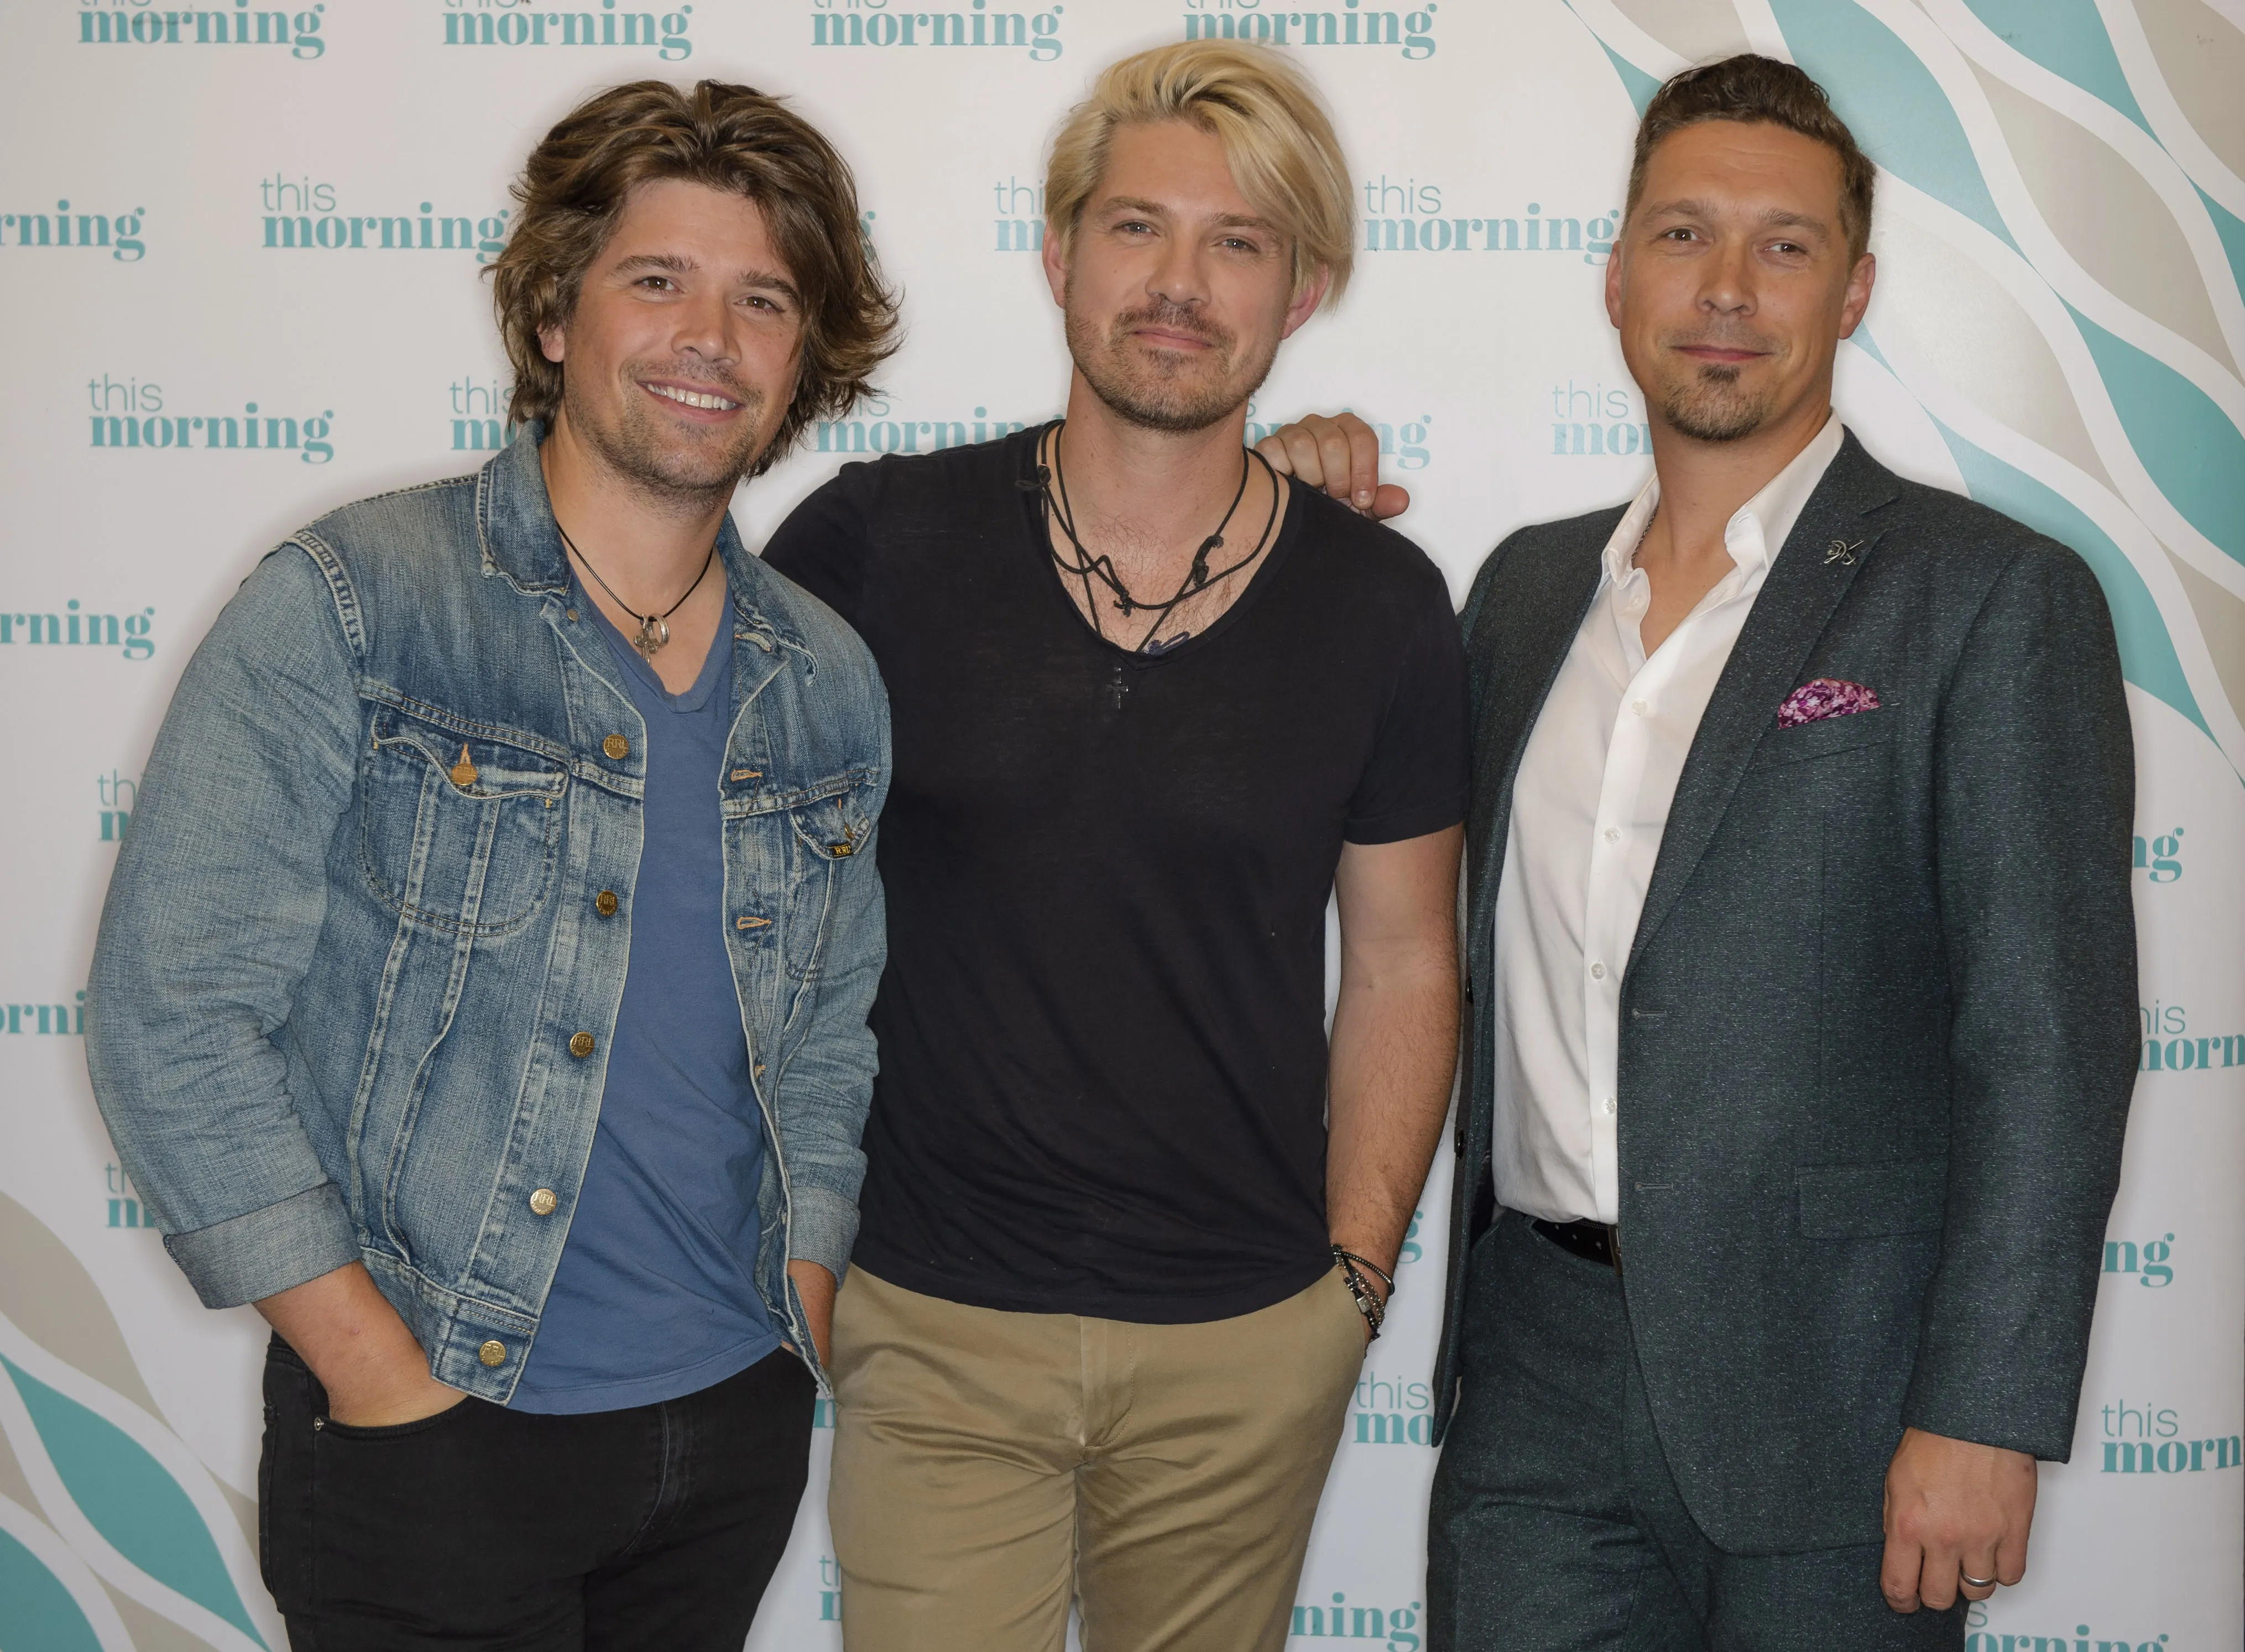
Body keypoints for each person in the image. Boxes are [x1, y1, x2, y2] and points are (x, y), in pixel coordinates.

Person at [1268, 52, 2137, 1651]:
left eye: (1782, 245)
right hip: (1532, 1372)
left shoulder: (1989, 597)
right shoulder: (1520, 596)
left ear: (1853, 290)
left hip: (1849, 1395)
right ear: (1615, 279)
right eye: (1682, 235)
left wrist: (1984, 1407)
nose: (1726, 287)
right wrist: (1280, 517)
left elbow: (2047, 1040)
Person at [85, 79, 896, 1651]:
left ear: (803, 360)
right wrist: (375, 1374)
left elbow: (825, 1031)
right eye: (657, 279)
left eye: (762, 300)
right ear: (551, 316)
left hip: (727, 1425)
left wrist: (801, 1285)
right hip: (433, 1424)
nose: (708, 338)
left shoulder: (827, 680)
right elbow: (170, 1008)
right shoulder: (357, 604)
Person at [762, 39, 1469, 1652]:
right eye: (1138, 226)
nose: (1179, 285)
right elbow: (731, 892)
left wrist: (1351, 1289)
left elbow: (1404, 960)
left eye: (1238, 242)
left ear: (1300, 292)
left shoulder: (1379, 605)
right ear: (1059, 255)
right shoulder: (876, 543)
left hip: (1246, 1346)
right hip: (932, 1324)